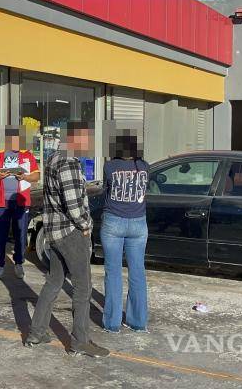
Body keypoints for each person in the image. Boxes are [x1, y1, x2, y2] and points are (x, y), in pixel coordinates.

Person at [25, 122, 109, 358]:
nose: (89, 145)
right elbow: (73, 204)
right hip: (71, 233)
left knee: (53, 282)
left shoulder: (53, 158)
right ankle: (80, 341)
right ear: (76, 139)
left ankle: (36, 332)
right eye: (87, 140)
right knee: (83, 287)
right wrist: (86, 225)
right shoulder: (69, 163)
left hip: (53, 231)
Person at [101, 127, 150, 333]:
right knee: (137, 273)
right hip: (138, 223)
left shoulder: (109, 166)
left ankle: (112, 324)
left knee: (113, 273)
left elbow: (106, 189)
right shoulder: (145, 167)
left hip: (113, 222)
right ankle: (137, 321)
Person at [0, 127, 40, 280]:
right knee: (0, 234)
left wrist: (25, 177)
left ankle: (19, 264)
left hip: (21, 201)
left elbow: (36, 176)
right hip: (1, 201)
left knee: (20, 233)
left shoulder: (27, 155)